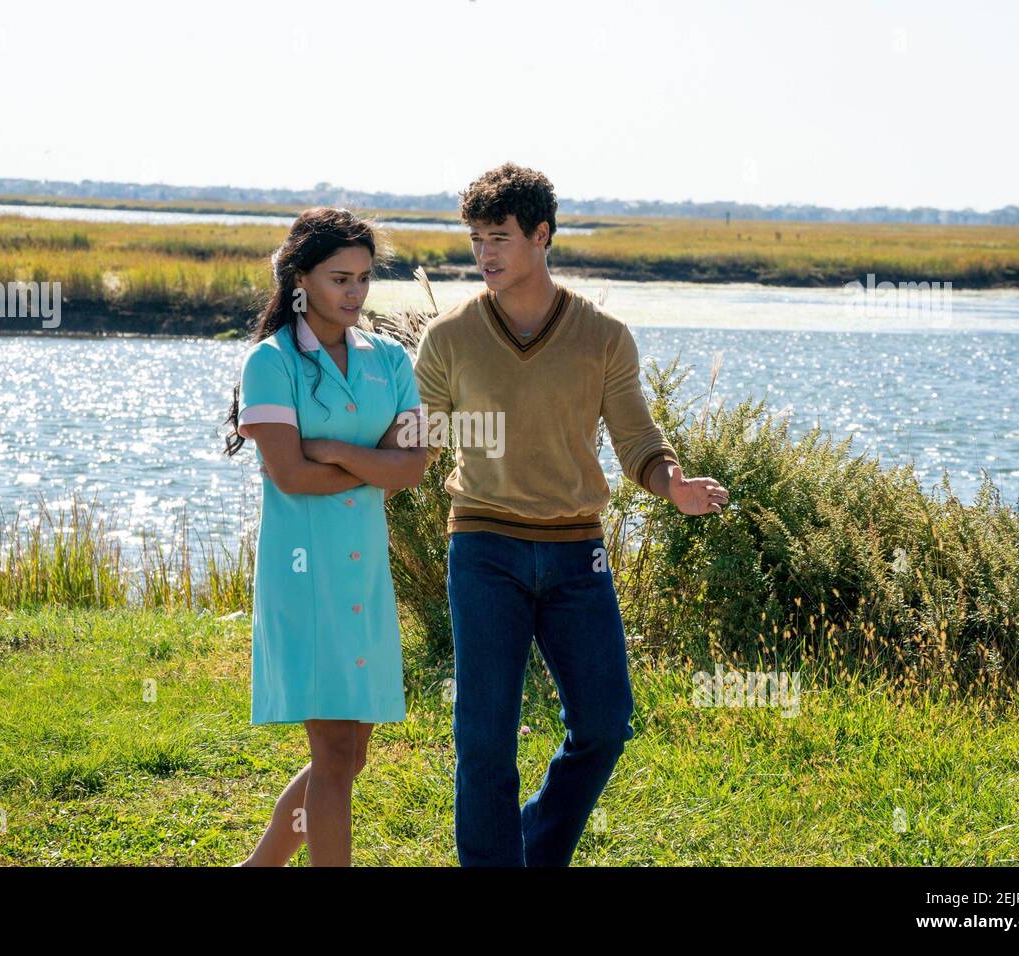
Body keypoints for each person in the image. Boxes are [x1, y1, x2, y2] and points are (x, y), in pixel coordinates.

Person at [414, 163, 730, 866]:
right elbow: (421, 444)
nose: (485, 254)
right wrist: (341, 461)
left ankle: (532, 844)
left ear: (542, 235)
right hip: (483, 548)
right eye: (475, 240)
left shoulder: (603, 336)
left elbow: (638, 440)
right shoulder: (448, 337)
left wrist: (671, 483)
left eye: (499, 237)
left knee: (604, 724)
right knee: (484, 738)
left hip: (575, 555)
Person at [223, 207, 426, 866]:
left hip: (365, 580)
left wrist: (334, 447)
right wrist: (372, 464)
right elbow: (288, 474)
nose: (355, 294)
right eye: (341, 278)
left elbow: (414, 466)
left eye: (364, 279)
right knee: (335, 755)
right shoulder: (270, 362)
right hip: (303, 579)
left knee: (350, 755)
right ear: (300, 279)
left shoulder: (391, 359)